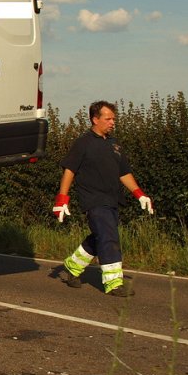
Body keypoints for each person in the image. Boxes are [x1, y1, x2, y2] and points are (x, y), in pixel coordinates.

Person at [53, 101, 154, 297]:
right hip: (93, 200)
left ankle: (72, 267)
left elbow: (124, 173)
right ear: (95, 119)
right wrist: (61, 199)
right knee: (108, 237)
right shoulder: (83, 143)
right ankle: (113, 282)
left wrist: (139, 194)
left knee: (100, 235)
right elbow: (69, 170)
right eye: (108, 118)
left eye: (114, 118)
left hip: (112, 200)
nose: (112, 122)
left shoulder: (114, 144)